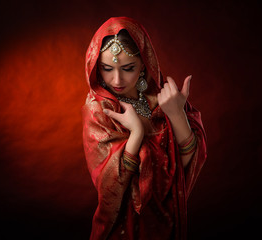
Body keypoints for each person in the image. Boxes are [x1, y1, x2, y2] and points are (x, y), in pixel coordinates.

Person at [81, 17, 207, 240]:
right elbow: (108, 187)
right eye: (107, 68)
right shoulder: (99, 110)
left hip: (167, 220)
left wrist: (177, 115)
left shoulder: (162, 99)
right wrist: (137, 134)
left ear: (143, 64)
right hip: (124, 226)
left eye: (128, 68)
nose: (117, 79)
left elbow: (186, 166)